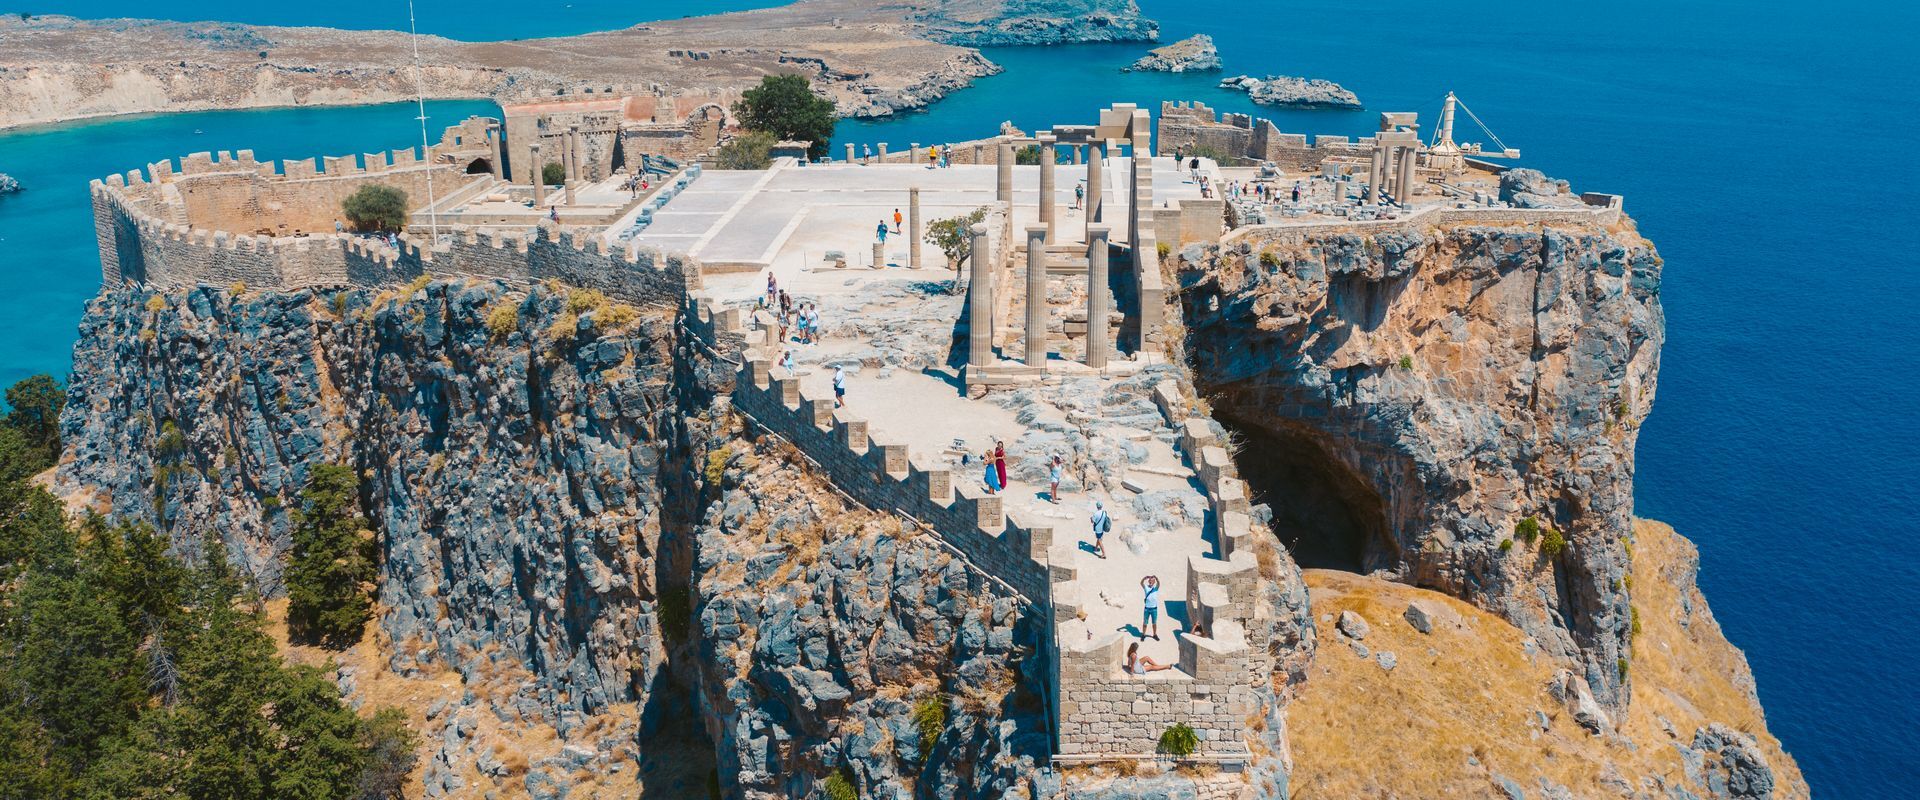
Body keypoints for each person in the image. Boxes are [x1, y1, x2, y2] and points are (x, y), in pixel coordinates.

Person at [1140, 575, 1162, 640]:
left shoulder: (1155, 589)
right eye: (1149, 580)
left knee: (1154, 623)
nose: (1150, 581)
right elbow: (1141, 583)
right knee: (1145, 623)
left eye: (1152, 581)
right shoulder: (1146, 587)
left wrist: (1156, 578)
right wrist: (1144, 578)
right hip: (1147, 609)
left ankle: (1154, 634)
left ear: (1154, 582)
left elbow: (1159, 583)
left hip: (1154, 609)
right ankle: (1143, 635)